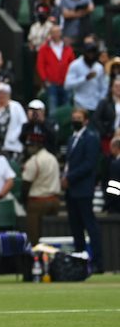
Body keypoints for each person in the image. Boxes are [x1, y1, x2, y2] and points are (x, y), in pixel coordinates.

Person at [63, 108, 103, 273]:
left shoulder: (91, 138)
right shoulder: (72, 138)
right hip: (71, 190)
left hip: (83, 189)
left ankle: (98, 263)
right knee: (76, 227)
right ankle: (80, 261)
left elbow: (89, 164)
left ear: (86, 120)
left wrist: (69, 177)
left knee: (89, 225)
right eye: (73, 118)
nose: (75, 121)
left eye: (78, 118)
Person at [20, 130, 61, 245]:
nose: (29, 148)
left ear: (37, 146)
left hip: (38, 202)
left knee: (34, 236)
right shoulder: (52, 158)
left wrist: (23, 201)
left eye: (30, 145)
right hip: (54, 200)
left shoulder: (34, 160)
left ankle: (36, 259)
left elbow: (25, 184)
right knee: (51, 235)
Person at [0, 83, 28, 160]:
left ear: (8, 94)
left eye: (3, 93)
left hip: (11, 146)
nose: (1, 96)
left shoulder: (16, 106)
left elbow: (24, 124)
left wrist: (14, 137)